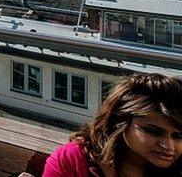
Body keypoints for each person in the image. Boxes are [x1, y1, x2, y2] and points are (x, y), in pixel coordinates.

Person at [43, 73, 182, 177]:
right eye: (153, 131)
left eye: (178, 136)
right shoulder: (74, 159)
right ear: (119, 122)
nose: (169, 146)